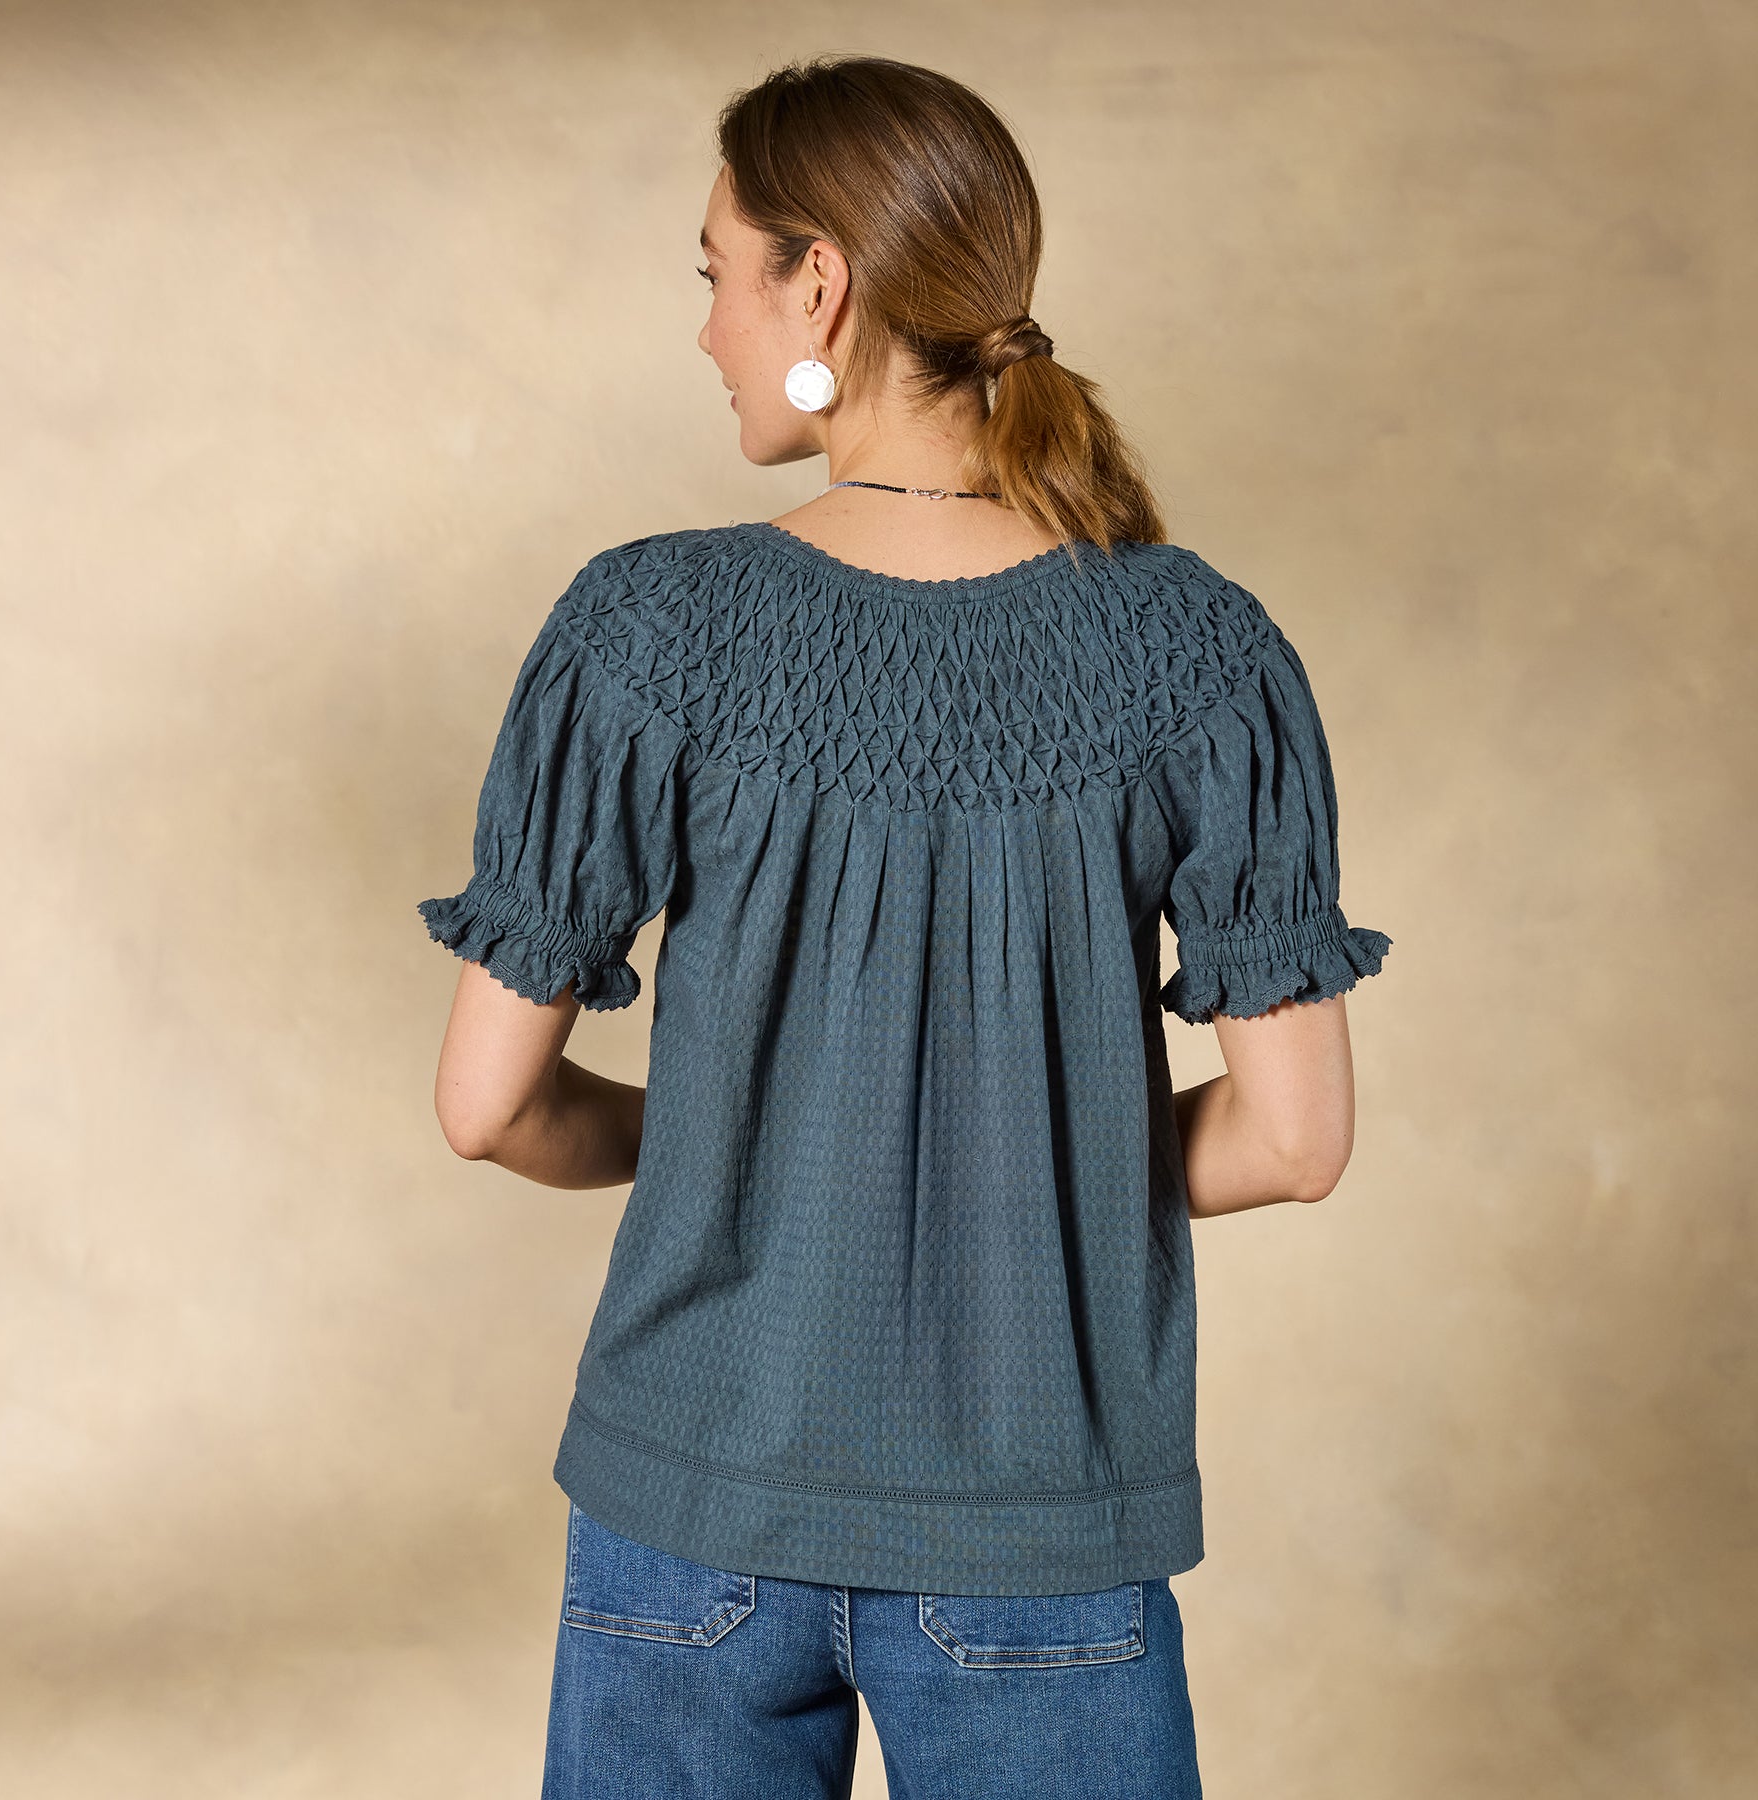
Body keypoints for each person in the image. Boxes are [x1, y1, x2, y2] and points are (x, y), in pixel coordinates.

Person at [417, 53, 1390, 1800]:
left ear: (822, 285)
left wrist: (734, 1147)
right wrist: (1038, 1169)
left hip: (688, 1510)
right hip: (1042, 1528)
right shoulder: (1201, 650)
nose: (707, 326)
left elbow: (488, 1107)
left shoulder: (648, 628)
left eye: (718, 272)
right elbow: (1296, 1142)